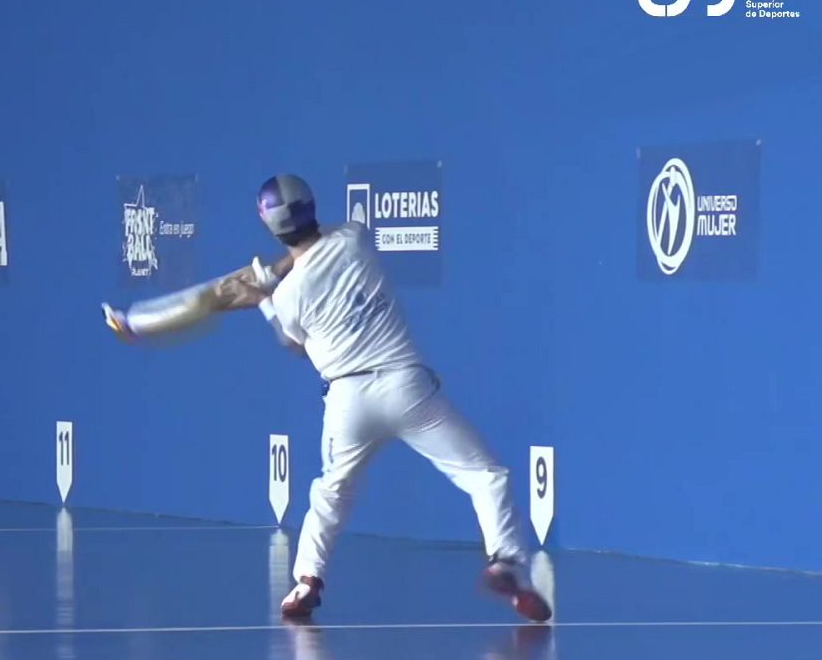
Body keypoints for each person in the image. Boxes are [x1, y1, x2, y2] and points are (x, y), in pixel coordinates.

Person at [105, 174, 552, 623]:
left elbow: (294, 344)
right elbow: (309, 256)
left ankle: (305, 584)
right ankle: (507, 562)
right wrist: (267, 282)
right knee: (486, 475)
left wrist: (263, 297)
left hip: (348, 401)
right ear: (313, 206)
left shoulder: (289, 297)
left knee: (331, 493)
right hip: (407, 387)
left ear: (269, 227)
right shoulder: (354, 237)